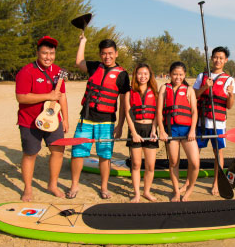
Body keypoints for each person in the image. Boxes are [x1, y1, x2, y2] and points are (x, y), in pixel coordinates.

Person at [67, 34, 129, 199]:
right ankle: (74, 185)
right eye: (103, 53)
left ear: (116, 53)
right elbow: (79, 62)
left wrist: (120, 125)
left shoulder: (123, 75)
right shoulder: (95, 67)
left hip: (106, 121)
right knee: (77, 152)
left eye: (110, 53)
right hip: (86, 117)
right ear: (100, 54)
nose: (107, 56)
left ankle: (104, 187)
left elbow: (124, 103)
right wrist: (83, 42)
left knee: (105, 155)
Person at [15, 36, 69, 202]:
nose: (48, 57)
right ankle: (28, 189)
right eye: (45, 53)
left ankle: (52, 184)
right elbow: (21, 97)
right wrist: (48, 95)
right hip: (29, 121)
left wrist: (65, 119)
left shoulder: (58, 71)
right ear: (38, 52)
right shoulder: (26, 72)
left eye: (51, 53)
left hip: (54, 120)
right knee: (31, 154)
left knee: (58, 151)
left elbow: (62, 96)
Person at [186, 46, 235, 196]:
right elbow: (193, 95)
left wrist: (230, 95)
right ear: (211, 58)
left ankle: (216, 182)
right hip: (201, 121)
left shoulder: (229, 79)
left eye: (221, 58)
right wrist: (204, 87)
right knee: (195, 152)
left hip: (218, 123)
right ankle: (189, 182)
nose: (218, 60)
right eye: (215, 57)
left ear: (225, 60)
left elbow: (230, 106)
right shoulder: (202, 76)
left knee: (218, 153)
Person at [157, 61, 200, 202]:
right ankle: (176, 191)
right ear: (170, 74)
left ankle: (189, 189)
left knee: (194, 162)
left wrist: (193, 129)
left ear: (184, 75)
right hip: (171, 130)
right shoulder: (164, 88)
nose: (177, 77)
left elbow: (194, 111)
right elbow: (159, 111)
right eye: (175, 74)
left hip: (187, 130)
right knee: (174, 162)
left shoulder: (189, 90)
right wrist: (161, 131)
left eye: (181, 74)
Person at [125, 63, 159, 203]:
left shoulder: (155, 92)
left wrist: (154, 130)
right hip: (135, 129)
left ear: (149, 75)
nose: (142, 76)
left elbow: (157, 113)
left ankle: (146, 191)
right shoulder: (130, 92)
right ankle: (137, 194)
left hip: (150, 129)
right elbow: (128, 112)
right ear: (135, 75)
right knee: (136, 164)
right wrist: (133, 132)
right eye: (140, 73)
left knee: (150, 165)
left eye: (145, 74)